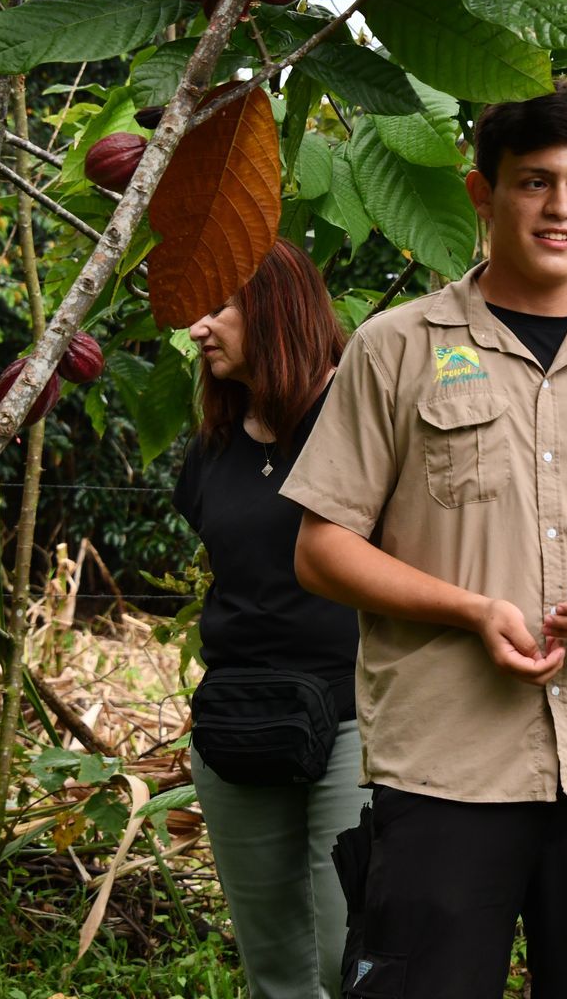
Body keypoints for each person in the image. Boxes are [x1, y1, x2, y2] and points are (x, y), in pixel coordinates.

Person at [280, 81, 567, 999]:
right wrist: (470, 610)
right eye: (533, 182)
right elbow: (322, 548)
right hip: (447, 767)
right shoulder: (395, 348)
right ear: (483, 194)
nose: (557, 207)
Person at [172, 238, 369, 999]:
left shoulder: (362, 422)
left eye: (218, 307)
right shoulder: (214, 448)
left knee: (346, 961)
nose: (198, 328)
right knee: (277, 974)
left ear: (275, 310)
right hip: (239, 720)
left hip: (354, 720)